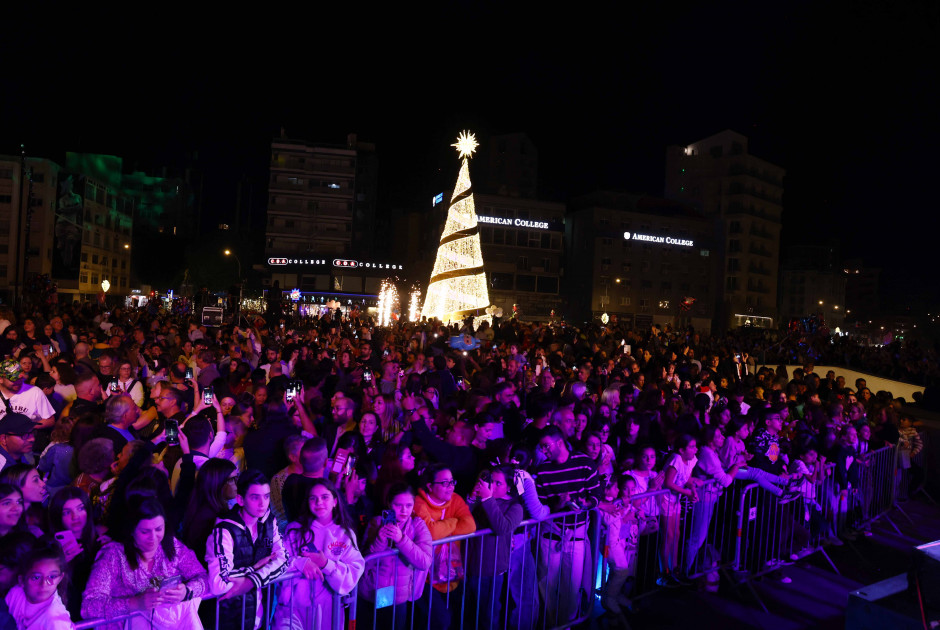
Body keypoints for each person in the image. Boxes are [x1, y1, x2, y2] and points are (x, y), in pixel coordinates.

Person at [81, 498, 208, 629]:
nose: (153, 538)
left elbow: (203, 578)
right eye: (145, 532)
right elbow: (89, 607)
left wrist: (187, 592)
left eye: (158, 529)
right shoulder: (113, 555)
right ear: (131, 530)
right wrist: (134, 603)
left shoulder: (172, 546)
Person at [535, 425, 604, 626]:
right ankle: (550, 623)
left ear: (559, 442)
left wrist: (584, 503)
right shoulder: (543, 471)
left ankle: (568, 623)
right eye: (542, 447)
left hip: (577, 535)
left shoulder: (584, 463)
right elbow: (540, 507)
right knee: (547, 583)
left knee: (572, 586)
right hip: (552, 534)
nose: (544, 451)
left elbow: (596, 495)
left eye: (546, 446)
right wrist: (559, 503)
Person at [273, 479, 365, 630]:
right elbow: (278, 563)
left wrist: (326, 564)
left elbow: (352, 574)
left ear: (335, 501)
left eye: (325, 497)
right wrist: (299, 563)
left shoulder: (344, 535)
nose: (319, 502)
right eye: (313, 498)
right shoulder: (294, 530)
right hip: (292, 609)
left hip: (328, 611)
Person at [206, 469, 287, 630]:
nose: (262, 503)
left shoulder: (269, 521)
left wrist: (252, 580)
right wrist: (254, 569)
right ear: (240, 500)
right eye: (255, 497)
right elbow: (218, 583)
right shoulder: (224, 530)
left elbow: (283, 559)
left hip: (260, 617)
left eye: (266, 496)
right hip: (229, 619)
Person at [358, 483, 432, 630]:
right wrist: (379, 541)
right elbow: (363, 563)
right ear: (389, 503)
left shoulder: (417, 525)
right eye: (398, 505)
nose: (404, 510)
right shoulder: (377, 522)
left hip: (398, 596)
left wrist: (401, 540)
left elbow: (424, 562)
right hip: (370, 591)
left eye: (409, 505)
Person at [413, 464, 476, 630]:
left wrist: (442, 527)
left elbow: (470, 526)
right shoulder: (419, 503)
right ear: (430, 486)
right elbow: (431, 533)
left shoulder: (456, 499)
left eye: (452, 482)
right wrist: (454, 521)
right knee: (439, 620)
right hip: (426, 575)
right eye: (445, 483)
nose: (451, 487)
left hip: (452, 571)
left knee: (461, 616)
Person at [465, 466, 523, 630]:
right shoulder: (480, 500)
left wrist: (487, 499)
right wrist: (471, 498)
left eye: (498, 483)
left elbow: (502, 527)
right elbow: (461, 518)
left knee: (488, 615)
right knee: (468, 614)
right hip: (469, 565)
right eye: (492, 482)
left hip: (492, 569)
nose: (493, 486)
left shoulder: (514, 507)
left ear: (509, 487)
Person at [46, 487, 101, 620]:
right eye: (66, 512)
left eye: (80, 508)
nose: (75, 516)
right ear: (58, 516)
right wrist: (60, 563)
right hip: (68, 614)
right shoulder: (49, 546)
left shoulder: (99, 541)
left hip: (95, 612)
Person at [4, 541, 74, 630]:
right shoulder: (15, 593)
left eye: (52, 577)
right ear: (21, 580)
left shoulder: (56, 622)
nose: (44, 584)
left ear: (60, 578)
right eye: (36, 577)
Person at [181, 458, 238, 567]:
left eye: (237, 477)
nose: (237, 483)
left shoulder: (205, 507)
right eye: (232, 479)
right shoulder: (210, 517)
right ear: (218, 482)